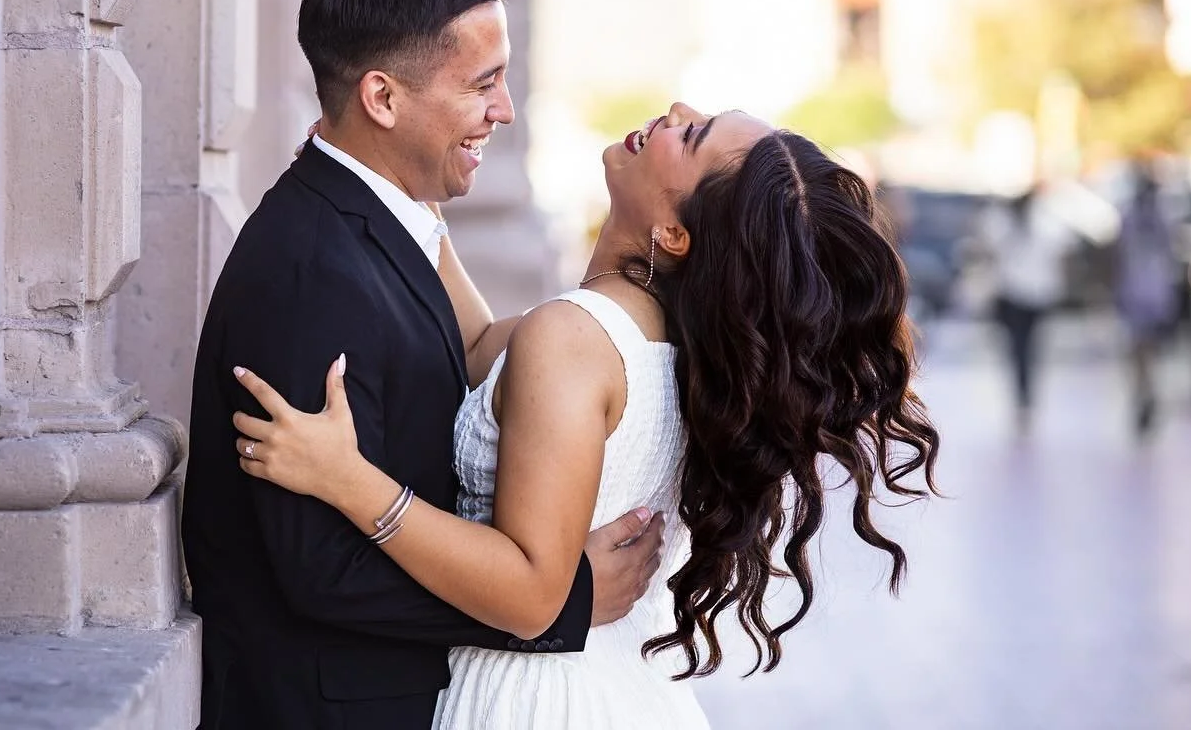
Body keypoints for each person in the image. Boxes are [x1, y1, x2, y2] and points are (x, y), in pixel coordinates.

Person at [232, 103, 943, 728]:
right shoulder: (649, 337)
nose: (675, 110)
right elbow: (477, 349)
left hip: (535, 700)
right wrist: (404, 190)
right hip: (613, 689)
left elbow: (532, 592)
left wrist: (348, 481)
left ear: (674, 235)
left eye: (691, 135)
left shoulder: (577, 338)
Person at [181, 0, 665, 730]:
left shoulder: (382, 218)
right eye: (483, 83)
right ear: (382, 99)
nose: (504, 110)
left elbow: (477, 349)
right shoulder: (312, 271)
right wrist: (556, 601)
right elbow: (320, 569)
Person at [980, 187, 1074, 429]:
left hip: (1032, 295)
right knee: (1021, 348)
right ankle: (1023, 398)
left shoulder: (1040, 223)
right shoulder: (1007, 225)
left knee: (1024, 348)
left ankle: (1025, 397)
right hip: (1016, 295)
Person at [1115, 163, 1180, 435]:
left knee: (1139, 348)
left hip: (1139, 291)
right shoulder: (1158, 216)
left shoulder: (1135, 216)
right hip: (1153, 291)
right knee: (1147, 348)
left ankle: (1146, 389)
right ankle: (1147, 389)